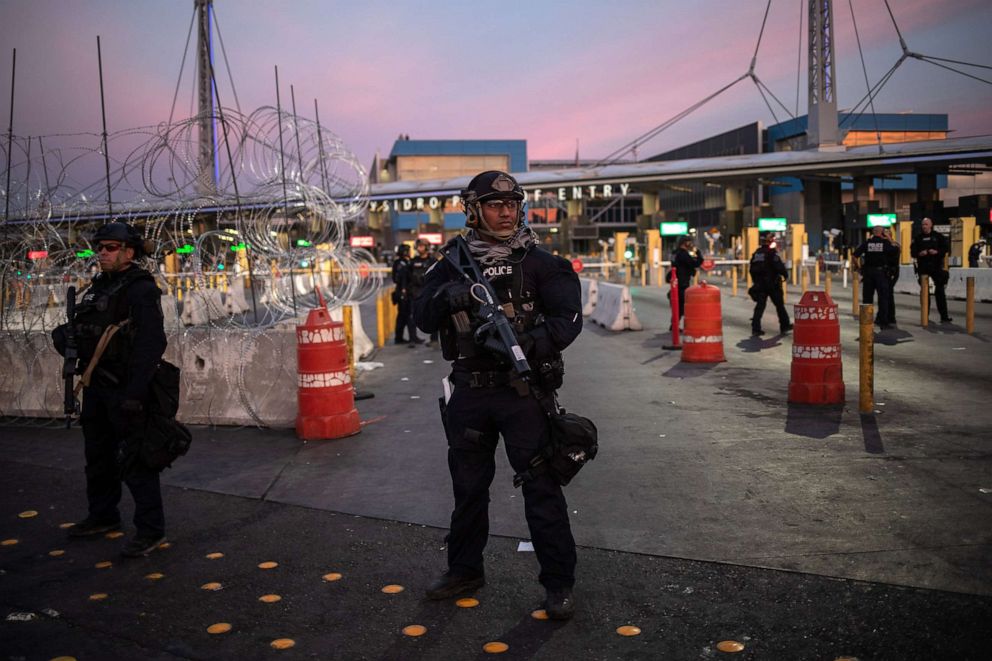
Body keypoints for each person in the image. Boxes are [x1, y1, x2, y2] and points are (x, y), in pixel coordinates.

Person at [413, 170, 582, 620]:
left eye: (511, 204)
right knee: (468, 490)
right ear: (474, 210)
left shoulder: (540, 262)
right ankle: (464, 570)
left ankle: (559, 583)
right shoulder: (452, 262)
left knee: (542, 488)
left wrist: (530, 343)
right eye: (494, 205)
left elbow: (569, 319)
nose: (506, 213)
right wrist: (447, 296)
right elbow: (422, 316)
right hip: (470, 391)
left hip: (522, 392)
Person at [56, 222, 169, 557]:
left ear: (128, 252)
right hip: (96, 386)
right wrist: (65, 337)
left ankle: (150, 530)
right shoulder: (99, 286)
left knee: (135, 461)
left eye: (109, 248)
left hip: (124, 388)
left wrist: (135, 393)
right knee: (98, 457)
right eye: (99, 248)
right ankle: (103, 515)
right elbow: (86, 327)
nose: (101, 253)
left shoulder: (140, 288)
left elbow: (152, 343)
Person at [853, 225, 900, 329]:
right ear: (882, 233)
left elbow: (854, 256)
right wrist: (889, 238)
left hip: (868, 274)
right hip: (881, 274)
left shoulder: (867, 243)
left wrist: (858, 267)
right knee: (883, 298)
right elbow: (896, 249)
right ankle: (883, 322)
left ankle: (866, 322)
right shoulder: (885, 243)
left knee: (867, 299)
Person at [748, 232, 792, 335]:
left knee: (760, 306)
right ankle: (784, 325)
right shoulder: (771, 253)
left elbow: (751, 269)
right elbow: (779, 266)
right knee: (779, 305)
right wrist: (785, 275)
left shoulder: (757, 253)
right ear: (769, 241)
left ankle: (755, 328)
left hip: (760, 284)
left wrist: (756, 281)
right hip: (772, 284)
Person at [910, 217, 952, 323]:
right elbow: (913, 252)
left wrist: (937, 252)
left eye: (926, 224)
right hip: (923, 267)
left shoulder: (938, 236)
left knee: (940, 291)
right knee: (925, 293)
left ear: (931, 225)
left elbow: (946, 249)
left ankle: (944, 316)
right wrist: (920, 253)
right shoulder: (918, 238)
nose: (924, 226)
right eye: (923, 224)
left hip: (936, 266)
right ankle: (925, 316)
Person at [409, 238, 438, 347]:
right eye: (419, 246)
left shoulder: (432, 261)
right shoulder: (413, 261)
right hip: (416, 292)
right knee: (412, 316)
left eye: (423, 246)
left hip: (429, 291)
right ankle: (413, 339)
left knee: (433, 315)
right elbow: (408, 277)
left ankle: (434, 339)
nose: (420, 248)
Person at [391, 244, 422, 344]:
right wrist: (404, 290)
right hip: (403, 293)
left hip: (406, 292)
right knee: (406, 316)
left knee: (406, 316)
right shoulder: (401, 264)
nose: (409, 252)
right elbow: (399, 279)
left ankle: (408, 337)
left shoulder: (404, 262)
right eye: (407, 251)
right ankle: (405, 338)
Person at [670, 235, 703, 327]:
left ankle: (674, 325)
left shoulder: (675, 253)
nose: (690, 244)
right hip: (682, 282)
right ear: (684, 243)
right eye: (689, 242)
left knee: (678, 306)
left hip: (676, 282)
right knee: (683, 306)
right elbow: (694, 263)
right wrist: (698, 254)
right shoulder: (683, 254)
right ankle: (684, 326)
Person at [882, 226, 901, 326]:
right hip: (884, 272)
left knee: (889, 294)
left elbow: (896, 250)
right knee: (885, 294)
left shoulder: (895, 244)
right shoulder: (883, 245)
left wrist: (888, 239)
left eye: (886, 234)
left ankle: (891, 317)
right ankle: (885, 316)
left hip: (893, 272)